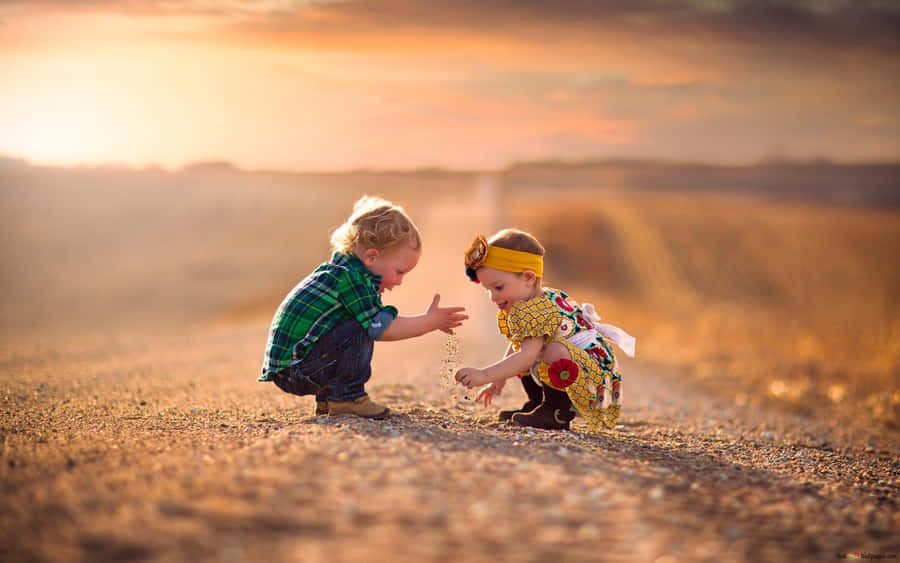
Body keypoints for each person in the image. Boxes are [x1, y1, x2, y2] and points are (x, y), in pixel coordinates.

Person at [259, 195, 467, 419]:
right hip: (297, 370)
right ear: (371, 257)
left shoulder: (340, 271)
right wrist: (429, 321)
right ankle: (347, 397)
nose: (399, 281)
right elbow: (381, 328)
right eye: (399, 272)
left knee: (352, 324)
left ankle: (330, 400)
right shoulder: (352, 279)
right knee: (363, 326)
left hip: (293, 367)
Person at [454, 229, 635, 430]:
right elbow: (519, 346)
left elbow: (526, 356)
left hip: (593, 382)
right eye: (487, 290)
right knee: (532, 351)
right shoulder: (533, 301)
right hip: (578, 369)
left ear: (528, 278)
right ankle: (538, 403)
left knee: (549, 351)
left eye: (498, 287)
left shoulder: (538, 309)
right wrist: (499, 378)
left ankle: (556, 412)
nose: (493, 297)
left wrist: (483, 375)